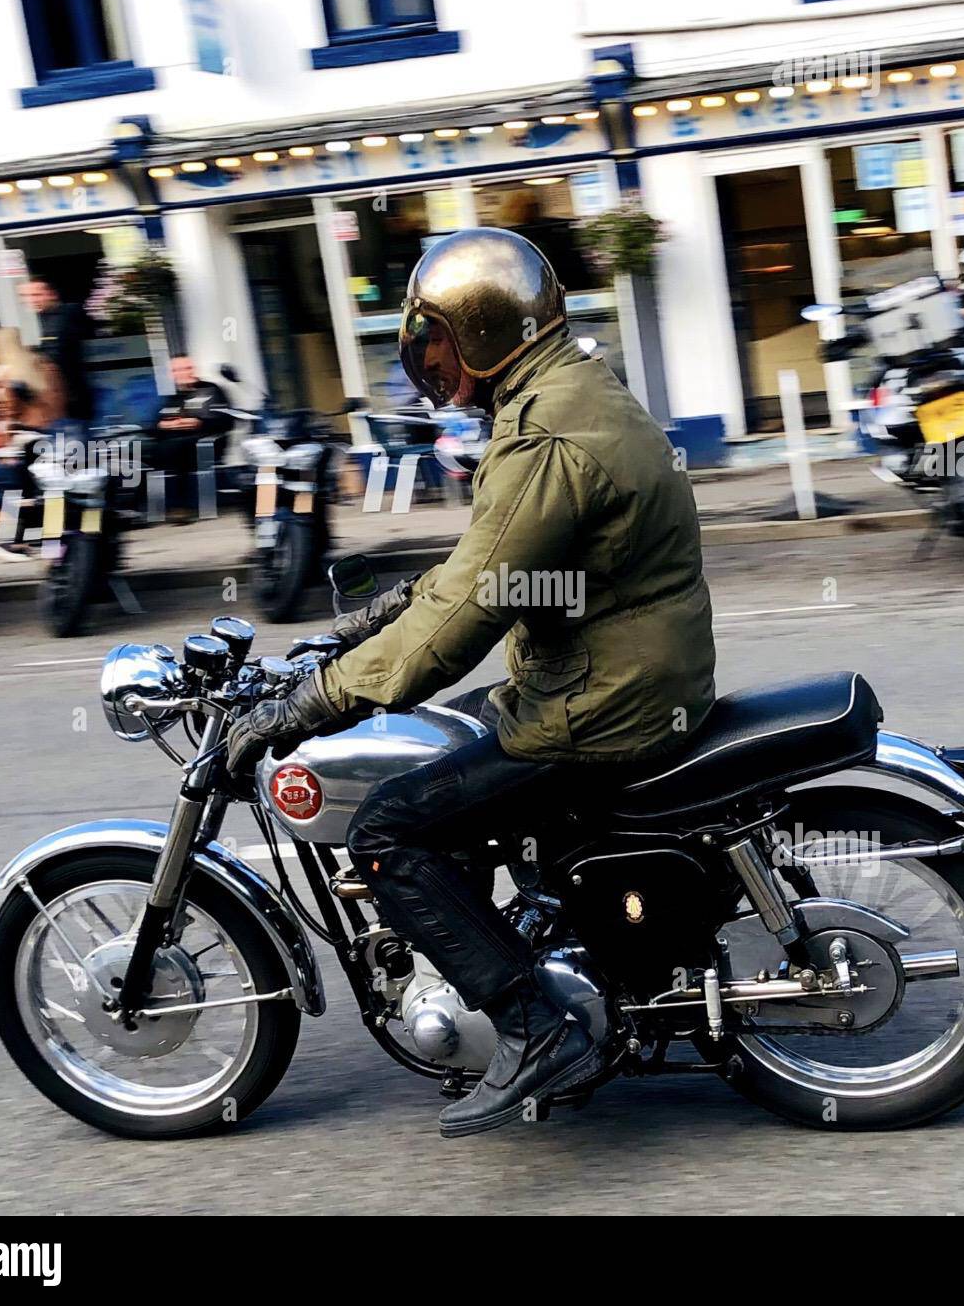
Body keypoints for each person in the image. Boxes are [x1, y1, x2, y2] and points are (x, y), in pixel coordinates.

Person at [227, 228, 716, 1137]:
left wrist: (307, 705)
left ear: (485, 333)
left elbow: (457, 626)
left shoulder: (542, 437)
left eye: (437, 342)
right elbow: (487, 566)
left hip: (599, 708)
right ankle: (524, 934)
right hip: (620, 675)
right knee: (440, 747)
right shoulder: (569, 386)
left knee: (385, 828)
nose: (431, 363)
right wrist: (357, 631)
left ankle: (534, 1024)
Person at [0, 327, 67, 562]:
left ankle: (18, 540)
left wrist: (6, 439)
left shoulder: (7, 375)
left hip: (27, 438)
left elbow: (10, 411)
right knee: (45, 489)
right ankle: (43, 540)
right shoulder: (44, 365)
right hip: (55, 434)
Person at [149, 355, 232, 522]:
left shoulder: (212, 390)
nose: (181, 373)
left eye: (185, 368)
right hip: (172, 444)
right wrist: (164, 426)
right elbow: (154, 424)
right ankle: (140, 509)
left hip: (206, 441)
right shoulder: (171, 397)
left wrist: (198, 423)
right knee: (140, 450)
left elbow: (227, 421)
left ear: (193, 369)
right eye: (176, 370)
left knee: (176, 449)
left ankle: (180, 507)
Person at [19, 275, 93, 425]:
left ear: (52, 294)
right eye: (26, 296)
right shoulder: (37, 321)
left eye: (37, 295)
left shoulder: (64, 315)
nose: (32, 300)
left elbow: (55, 354)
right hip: (53, 401)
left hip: (70, 397)